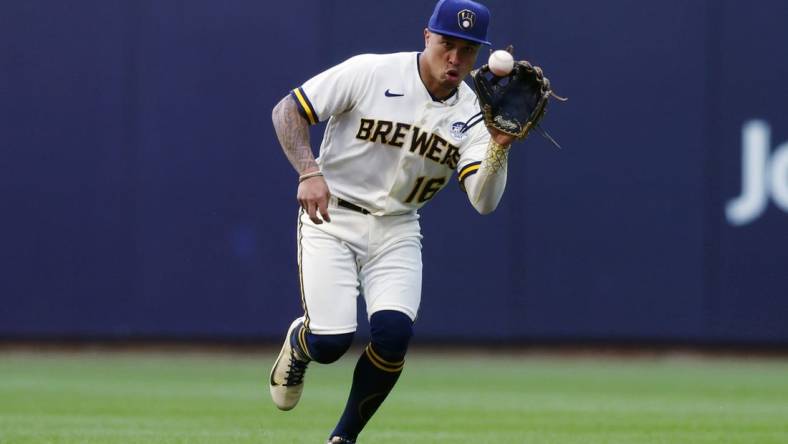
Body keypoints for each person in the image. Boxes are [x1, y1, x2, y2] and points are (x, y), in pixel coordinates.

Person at [269, 0, 515, 442]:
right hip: (333, 214)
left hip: (398, 227)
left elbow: (484, 202)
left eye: (468, 49)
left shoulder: (475, 116)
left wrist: (498, 146)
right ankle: (300, 344)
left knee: (393, 333)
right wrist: (309, 170)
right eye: (447, 44)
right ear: (426, 37)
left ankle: (343, 437)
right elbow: (287, 110)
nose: (455, 58)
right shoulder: (372, 72)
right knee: (331, 343)